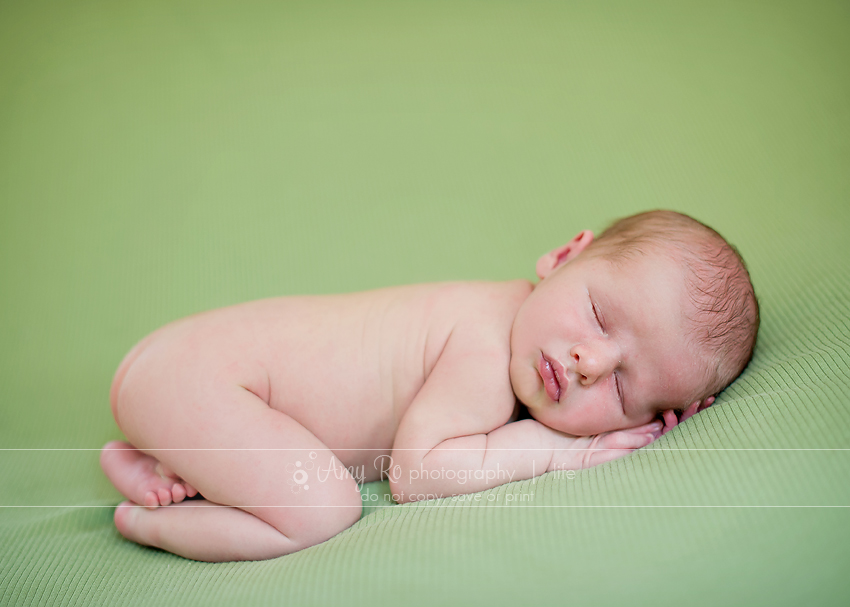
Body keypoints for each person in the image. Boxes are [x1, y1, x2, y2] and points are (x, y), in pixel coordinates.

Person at [100, 210, 759, 562]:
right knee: (322, 509)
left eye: (621, 389)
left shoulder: (505, 326)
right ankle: (156, 522)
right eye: (598, 315)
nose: (588, 361)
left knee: (290, 469)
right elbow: (416, 473)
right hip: (207, 379)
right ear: (562, 256)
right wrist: (560, 450)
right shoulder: (483, 336)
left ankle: (153, 458)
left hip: (183, 371)